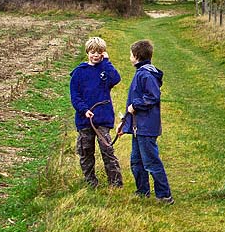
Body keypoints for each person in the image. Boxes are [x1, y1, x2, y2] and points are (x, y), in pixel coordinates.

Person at [121, 39, 172, 203]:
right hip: (138, 127)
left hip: (146, 127)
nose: (129, 57)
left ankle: (164, 195)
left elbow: (152, 96)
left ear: (136, 56)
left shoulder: (145, 74)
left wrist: (135, 105)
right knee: (136, 161)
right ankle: (142, 191)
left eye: (130, 54)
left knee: (150, 161)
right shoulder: (141, 72)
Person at [69, 37, 122, 188]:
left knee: (107, 150)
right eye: (92, 52)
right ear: (87, 53)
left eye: (99, 52)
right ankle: (91, 181)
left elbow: (116, 79)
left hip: (103, 119)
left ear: (103, 53)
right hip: (85, 120)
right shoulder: (79, 72)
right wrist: (84, 110)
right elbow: (75, 96)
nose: (96, 55)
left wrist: (107, 62)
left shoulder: (105, 69)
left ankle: (116, 183)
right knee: (86, 151)